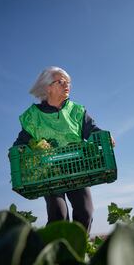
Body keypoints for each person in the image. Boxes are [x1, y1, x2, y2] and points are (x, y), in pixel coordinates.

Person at [13, 66, 107, 233]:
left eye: (69, 83)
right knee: (58, 214)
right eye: (62, 82)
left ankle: (77, 249)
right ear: (47, 87)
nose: (67, 86)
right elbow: (21, 143)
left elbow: (92, 129)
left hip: (77, 167)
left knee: (85, 212)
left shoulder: (76, 111)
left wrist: (104, 136)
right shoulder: (33, 116)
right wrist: (18, 151)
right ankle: (55, 252)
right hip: (49, 172)